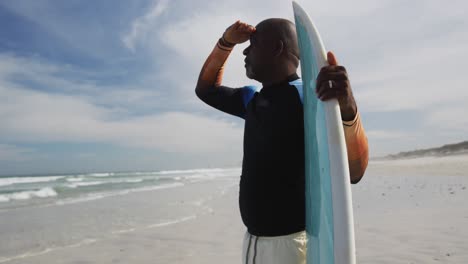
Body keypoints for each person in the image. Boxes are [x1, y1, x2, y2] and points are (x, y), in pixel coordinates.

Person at [195, 18, 368, 264]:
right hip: (254, 243)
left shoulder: (311, 99)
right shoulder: (253, 98)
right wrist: (225, 43)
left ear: (276, 48)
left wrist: (348, 108)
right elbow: (206, 90)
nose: (245, 50)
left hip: (291, 246)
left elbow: (354, 170)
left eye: (252, 44)